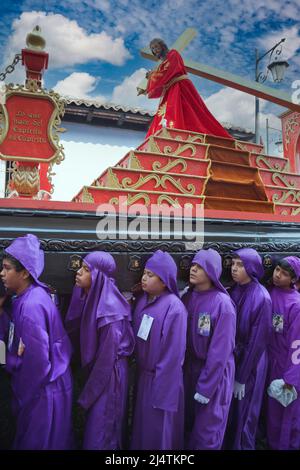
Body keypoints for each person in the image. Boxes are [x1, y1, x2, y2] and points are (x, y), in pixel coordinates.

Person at [0, 234, 73, 450]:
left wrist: (10, 362)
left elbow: (37, 365)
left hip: (42, 390)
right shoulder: (25, 296)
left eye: (6, 268)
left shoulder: (31, 307)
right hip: (46, 385)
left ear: (24, 273)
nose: (1, 273)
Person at [65, 251, 135, 450]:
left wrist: (88, 394)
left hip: (108, 376)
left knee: (102, 432)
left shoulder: (110, 314)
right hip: (99, 372)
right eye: (81, 267)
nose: (78, 272)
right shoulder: (93, 296)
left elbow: (106, 359)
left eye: (86, 270)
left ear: (98, 277)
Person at [131, 250, 187, 450]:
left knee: (159, 432)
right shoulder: (143, 300)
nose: (144, 278)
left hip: (163, 381)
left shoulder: (175, 308)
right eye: (144, 273)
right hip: (144, 377)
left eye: (150, 275)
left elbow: (173, 355)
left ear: (164, 281)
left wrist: (162, 392)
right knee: (142, 430)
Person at [183, 249, 236, 449]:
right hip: (191, 370)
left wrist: (206, 387)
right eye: (193, 265)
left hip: (215, 376)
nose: (193, 269)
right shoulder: (188, 297)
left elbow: (220, 352)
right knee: (188, 427)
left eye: (199, 267)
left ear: (212, 271)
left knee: (207, 435)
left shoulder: (222, 304)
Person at [225, 248, 272, 450]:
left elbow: (257, 342)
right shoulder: (233, 290)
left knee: (246, 413)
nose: (234, 269)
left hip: (252, 362)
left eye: (240, 265)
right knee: (232, 412)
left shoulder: (261, 297)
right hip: (235, 357)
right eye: (233, 264)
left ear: (252, 268)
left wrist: (242, 377)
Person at [141, 38, 233, 139]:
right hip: (170, 89)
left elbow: (167, 71)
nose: (155, 50)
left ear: (162, 46)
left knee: (184, 112)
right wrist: (150, 80)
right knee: (166, 114)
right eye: (152, 49)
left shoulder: (173, 54)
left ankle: (180, 135)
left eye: (156, 47)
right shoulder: (160, 65)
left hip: (180, 86)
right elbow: (160, 82)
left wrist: (152, 75)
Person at [266, 256, 300, 449]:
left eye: (284, 274)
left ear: (294, 279)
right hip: (270, 362)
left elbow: (298, 344)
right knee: (271, 415)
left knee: (285, 415)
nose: (278, 275)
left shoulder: (296, 305)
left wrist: (291, 379)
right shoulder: (270, 293)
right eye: (277, 269)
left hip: (286, 368)